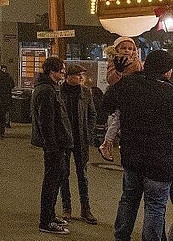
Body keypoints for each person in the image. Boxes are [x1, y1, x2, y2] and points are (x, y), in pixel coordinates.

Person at [102, 49, 173, 241]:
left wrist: (119, 74)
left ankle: (121, 236)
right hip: (161, 162)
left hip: (132, 157)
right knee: (155, 205)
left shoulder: (128, 84)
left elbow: (106, 106)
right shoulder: (169, 93)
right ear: (167, 71)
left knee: (129, 199)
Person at [31, 56, 72, 235]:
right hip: (53, 145)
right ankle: (45, 221)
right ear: (51, 71)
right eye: (61, 69)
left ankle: (50, 215)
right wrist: (52, 146)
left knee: (56, 180)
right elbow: (46, 122)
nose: (64, 72)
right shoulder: (47, 90)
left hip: (56, 143)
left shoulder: (48, 88)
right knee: (51, 182)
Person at [58, 64, 97, 224]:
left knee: (83, 175)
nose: (81, 77)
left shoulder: (86, 92)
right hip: (64, 140)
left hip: (80, 139)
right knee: (64, 174)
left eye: (82, 75)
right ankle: (66, 208)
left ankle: (85, 208)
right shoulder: (58, 92)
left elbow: (92, 114)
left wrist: (88, 133)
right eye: (78, 75)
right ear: (68, 76)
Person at [99, 36, 142, 162]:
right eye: (123, 48)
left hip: (135, 96)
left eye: (130, 48)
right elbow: (110, 80)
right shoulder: (114, 61)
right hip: (121, 96)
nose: (127, 51)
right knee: (118, 118)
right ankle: (107, 142)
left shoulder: (137, 61)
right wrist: (119, 71)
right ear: (116, 49)